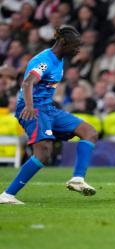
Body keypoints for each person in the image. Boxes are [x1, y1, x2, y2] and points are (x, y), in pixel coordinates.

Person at [0, 25, 98, 205]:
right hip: (33, 108)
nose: (78, 49)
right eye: (75, 45)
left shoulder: (60, 59)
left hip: (48, 109)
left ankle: (77, 179)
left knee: (89, 132)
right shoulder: (45, 60)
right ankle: (7, 195)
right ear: (63, 42)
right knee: (43, 154)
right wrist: (29, 106)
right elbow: (28, 82)